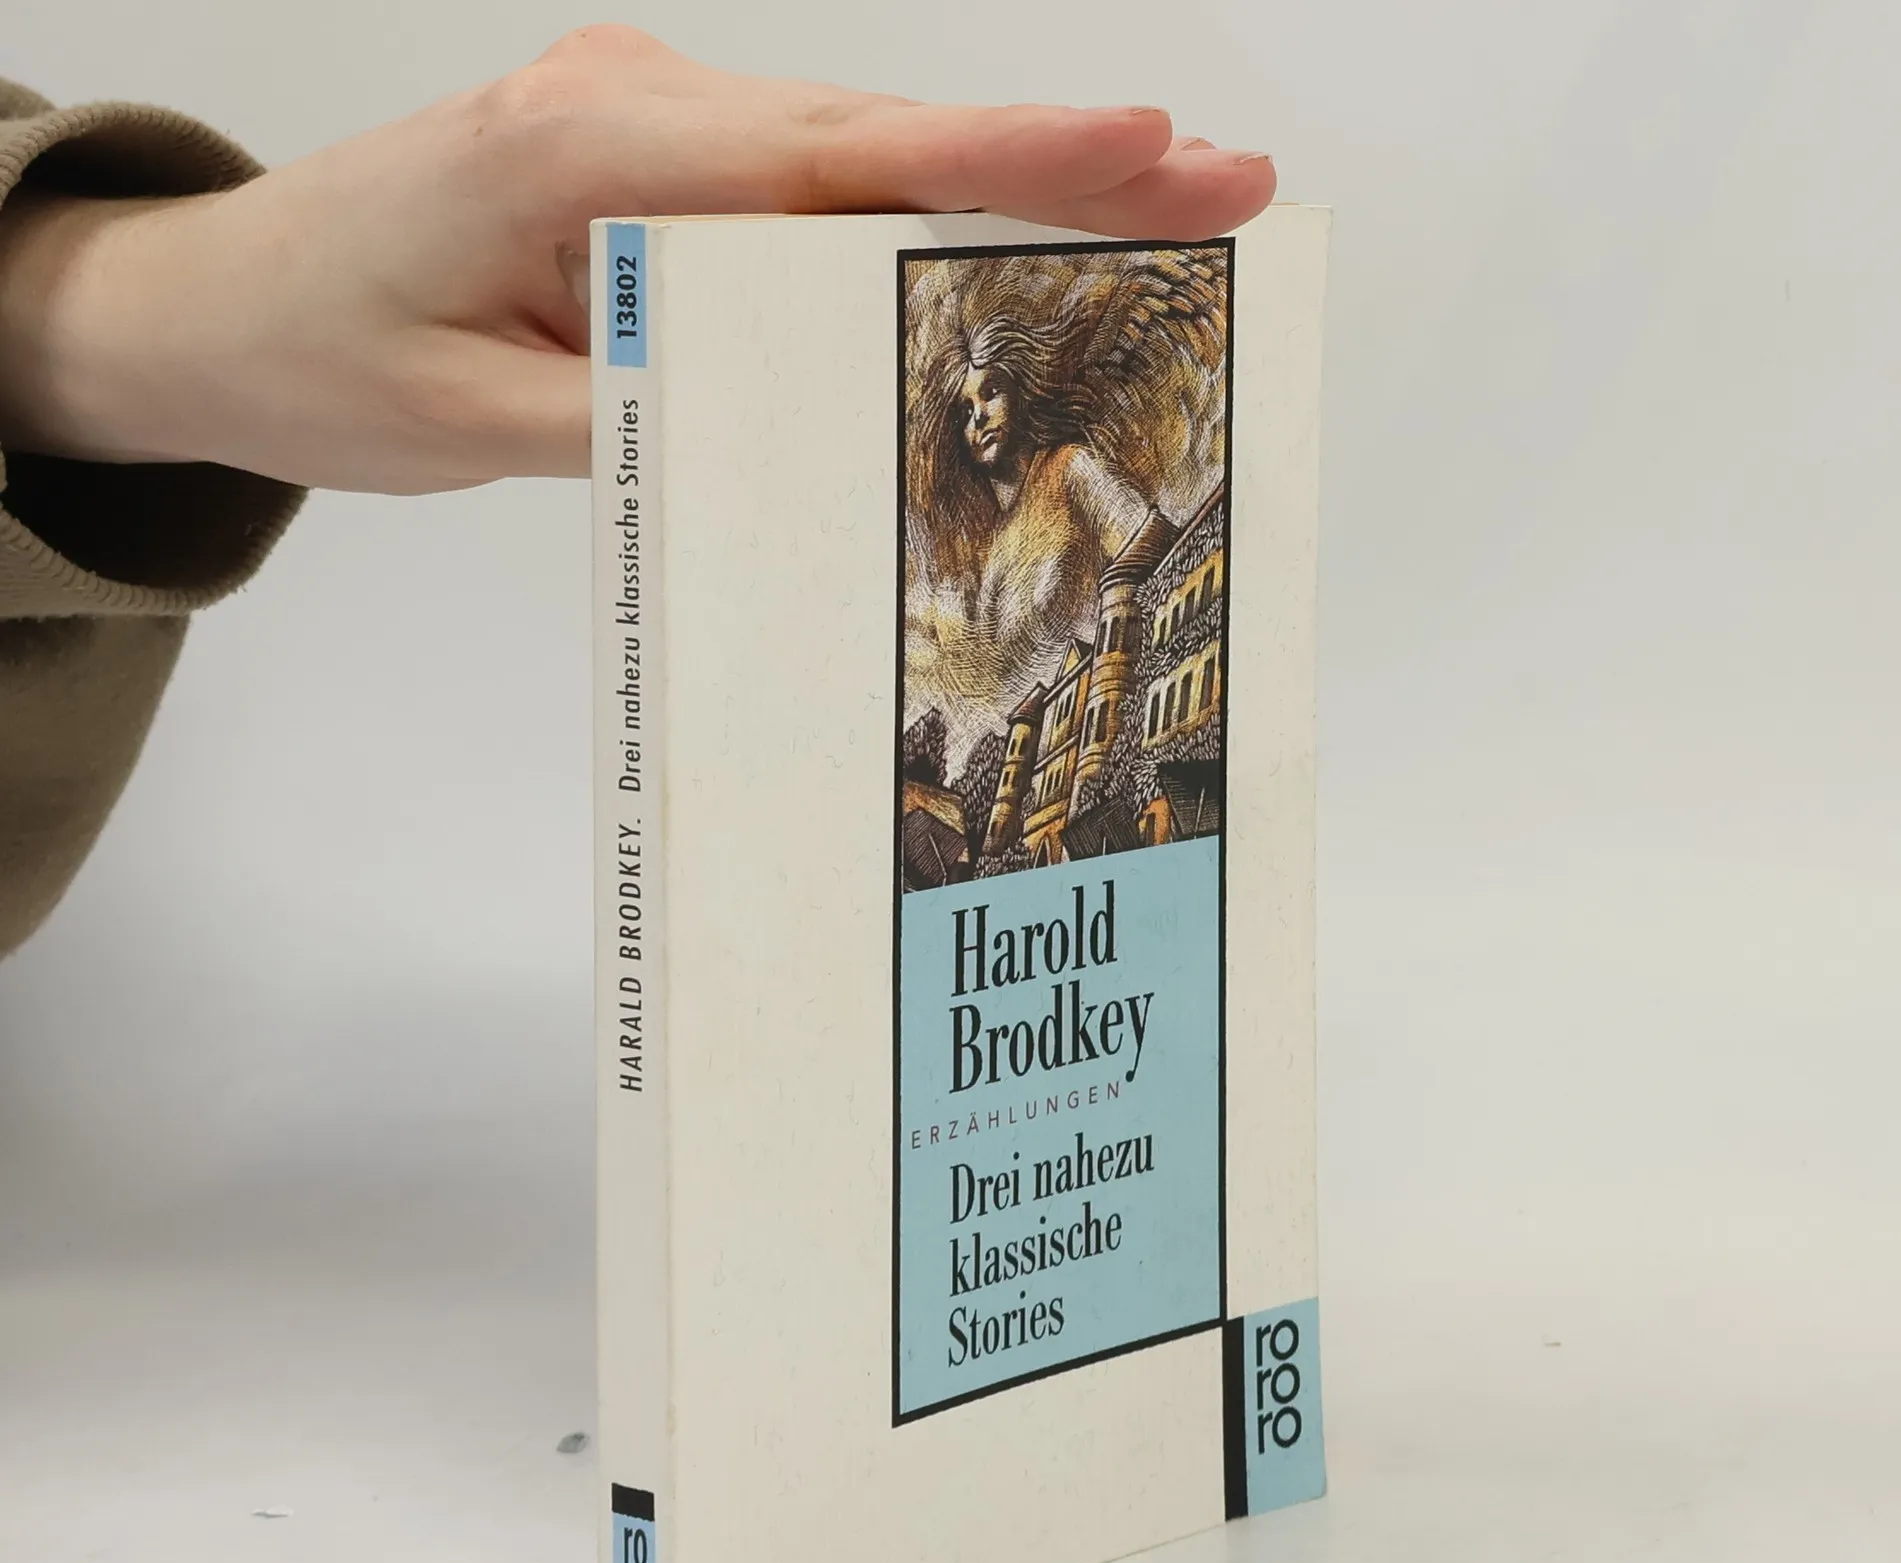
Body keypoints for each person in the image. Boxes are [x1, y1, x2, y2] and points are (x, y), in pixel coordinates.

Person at [0, 26, 1276, 959]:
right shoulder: (967, 543)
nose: (980, 414)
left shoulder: (1074, 480)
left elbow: (1146, 553)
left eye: (997, 396)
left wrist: (109, 320)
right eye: (969, 398)